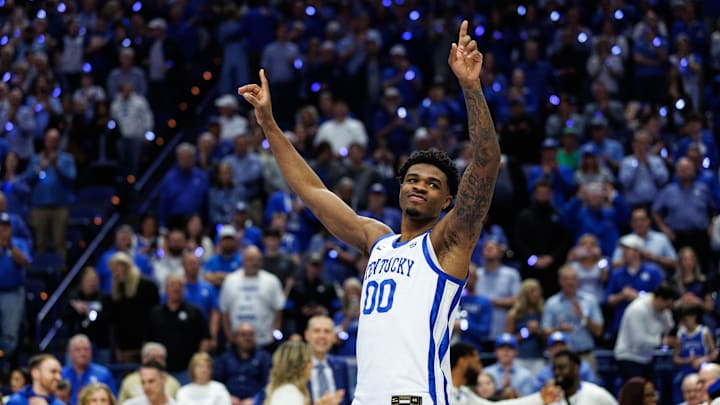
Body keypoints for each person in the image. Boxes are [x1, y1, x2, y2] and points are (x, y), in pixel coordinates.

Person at [239, 19, 501, 404]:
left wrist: (470, 86)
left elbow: (486, 162)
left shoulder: (448, 241)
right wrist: (270, 126)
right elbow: (313, 191)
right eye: (413, 179)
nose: (419, 186)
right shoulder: (377, 240)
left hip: (415, 397)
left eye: (432, 184)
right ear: (400, 187)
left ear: (447, 201)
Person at [144, 274, 212, 384]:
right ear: (166, 289)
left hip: (187, 370)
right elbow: (147, 341)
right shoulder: (155, 313)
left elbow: (206, 338)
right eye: (172, 285)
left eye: (180, 285)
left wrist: (197, 362)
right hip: (161, 370)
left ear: (184, 289)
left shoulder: (195, 312)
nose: (176, 288)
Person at [541, 265, 604, 372]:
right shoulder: (551, 303)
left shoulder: (590, 300)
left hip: (585, 355)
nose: (570, 282)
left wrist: (583, 317)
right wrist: (558, 329)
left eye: (573, 278)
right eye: (566, 279)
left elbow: (599, 331)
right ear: (560, 281)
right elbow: (544, 333)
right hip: (559, 357)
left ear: (578, 280)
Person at [614, 283, 676, 384]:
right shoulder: (637, 310)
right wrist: (663, 341)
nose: (666, 309)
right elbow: (639, 341)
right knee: (636, 393)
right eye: (666, 305)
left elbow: (669, 327)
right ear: (659, 299)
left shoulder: (663, 311)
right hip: (629, 357)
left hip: (647, 357)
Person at [262, 341, 343, 405]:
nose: (312, 366)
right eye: (309, 361)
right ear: (298, 365)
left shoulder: (288, 391)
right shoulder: (288, 394)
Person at [213, 323, 271, 404]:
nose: (247, 338)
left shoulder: (264, 357)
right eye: (243, 335)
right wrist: (226, 397)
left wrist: (256, 399)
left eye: (251, 335)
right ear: (236, 337)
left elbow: (268, 383)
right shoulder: (225, 358)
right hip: (227, 401)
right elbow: (216, 382)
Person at [0, 212, 30, 363]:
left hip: (12, 292)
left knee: (10, 335)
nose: (2, 231)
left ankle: (5, 364)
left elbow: (25, 263)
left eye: (6, 227)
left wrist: (10, 247)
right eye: (0, 227)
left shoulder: (19, 243)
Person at [305, 316, 350, 405]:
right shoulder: (296, 366)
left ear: (333, 337)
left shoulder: (341, 365)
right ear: (307, 335)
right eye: (316, 331)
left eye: (327, 331)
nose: (322, 336)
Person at [61, 334, 117, 404]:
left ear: (91, 351)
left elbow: (113, 399)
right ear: (70, 353)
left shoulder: (103, 374)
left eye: (86, 349)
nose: (82, 353)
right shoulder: (61, 374)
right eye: (78, 350)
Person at [546, 349, 617, 405]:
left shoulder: (596, 394)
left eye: (561, 368)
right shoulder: (550, 398)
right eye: (554, 369)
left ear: (576, 368)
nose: (556, 372)